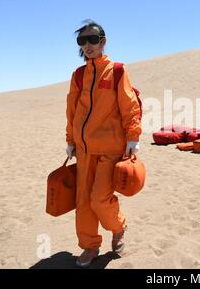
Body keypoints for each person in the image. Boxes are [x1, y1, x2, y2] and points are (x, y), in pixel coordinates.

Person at [65, 20, 142, 268]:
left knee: (99, 199)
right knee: (83, 203)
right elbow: (72, 112)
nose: (88, 45)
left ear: (103, 41)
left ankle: (118, 227)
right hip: (84, 150)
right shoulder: (78, 75)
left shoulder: (117, 70)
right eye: (82, 41)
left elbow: (129, 105)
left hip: (110, 149)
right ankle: (90, 246)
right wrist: (70, 140)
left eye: (93, 40)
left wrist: (133, 137)